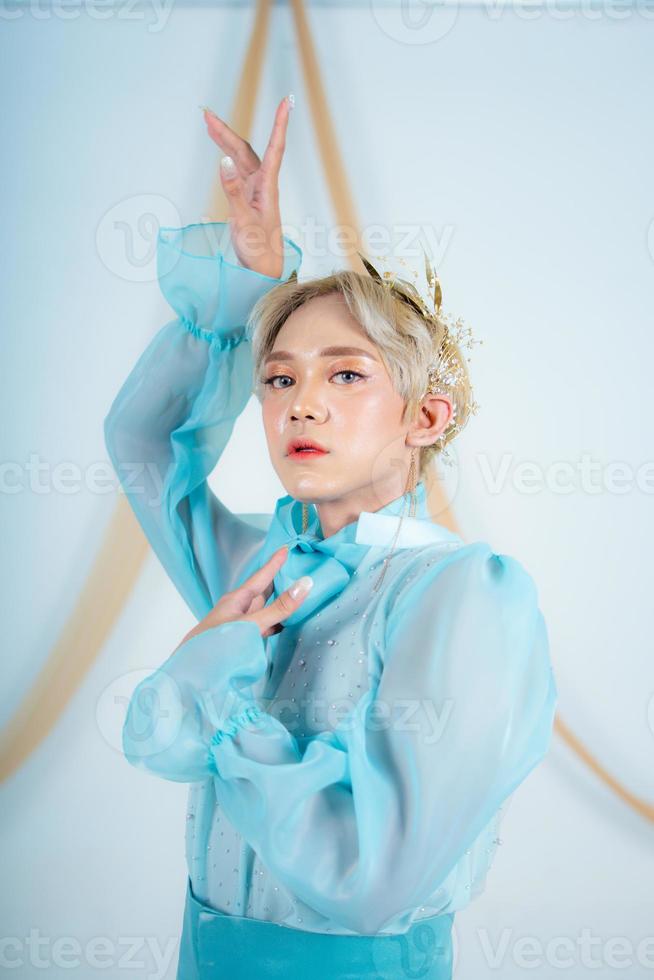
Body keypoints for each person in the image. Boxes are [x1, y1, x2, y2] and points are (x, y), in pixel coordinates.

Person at [104, 94, 558, 980]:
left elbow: (371, 873)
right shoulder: (257, 569)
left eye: (345, 374)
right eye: (277, 379)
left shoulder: (464, 594)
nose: (300, 403)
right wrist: (247, 282)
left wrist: (219, 696)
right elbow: (142, 442)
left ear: (427, 415)